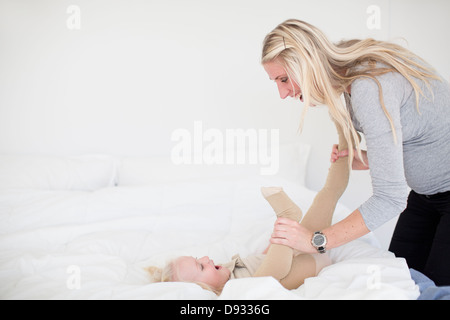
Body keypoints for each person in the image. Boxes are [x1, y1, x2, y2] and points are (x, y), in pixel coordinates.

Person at [262, 19, 450, 286]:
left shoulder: (368, 87)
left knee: (435, 291)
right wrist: (373, 157)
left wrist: (317, 241)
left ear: (307, 64)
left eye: (283, 79)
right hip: (425, 197)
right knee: (402, 284)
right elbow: (424, 126)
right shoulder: (348, 66)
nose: (282, 93)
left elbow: (389, 198)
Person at [147, 122, 352, 294]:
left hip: (306, 248)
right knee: (261, 284)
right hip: (307, 265)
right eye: (200, 266)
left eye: (198, 259)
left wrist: (277, 240)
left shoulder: (226, 269)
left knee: (327, 195)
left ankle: (346, 135)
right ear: (203, 289)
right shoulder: (231, 292)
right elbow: (272, 269)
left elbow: (264, 257)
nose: (205, 258)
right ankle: (287, 217)